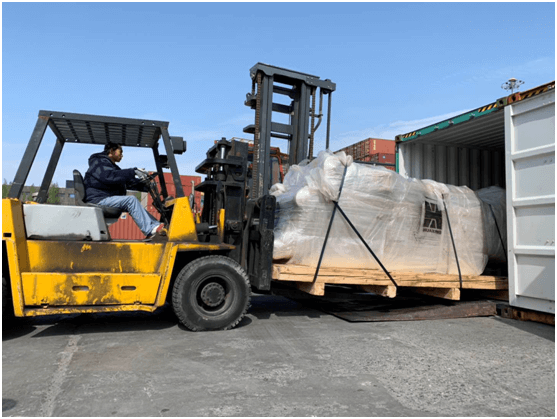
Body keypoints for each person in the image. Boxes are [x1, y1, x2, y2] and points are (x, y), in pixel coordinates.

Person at [83, 142, 164, 241]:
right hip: (98, 199)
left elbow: (123, 181)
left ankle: (155, 227)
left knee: (130, 200)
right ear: (111, 151)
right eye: (120, 152)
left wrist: (144, 186)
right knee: (130, 200)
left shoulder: (109, 166)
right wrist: (133, 171)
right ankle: (151, 229)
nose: (122, 155)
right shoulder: (99, 163)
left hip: (103, 197)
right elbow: (109, 176)